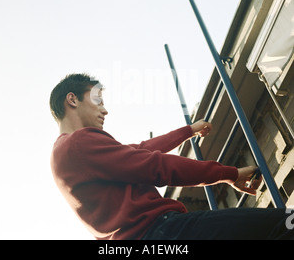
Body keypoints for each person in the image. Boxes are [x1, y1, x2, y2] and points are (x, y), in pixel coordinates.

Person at [50, 73, 293, 240]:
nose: (104, 109)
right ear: (72, 99)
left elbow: (140, 150)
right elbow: (154, 165)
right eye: (97, 100)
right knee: (285, 223)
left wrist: (188, 131)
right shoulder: (78, 143)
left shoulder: (67, 154)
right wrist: (228, 174)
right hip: (161, 231)